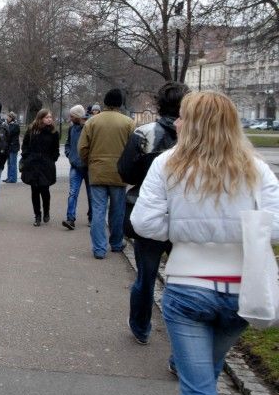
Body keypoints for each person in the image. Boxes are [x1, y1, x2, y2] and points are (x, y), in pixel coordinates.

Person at [131, 91, 279, 395]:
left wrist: (184, 231)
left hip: (188, 285)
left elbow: (145, 223)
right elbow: (275, 225)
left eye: (184, 117)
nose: (178, 123)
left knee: (199, 392)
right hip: (241, 289)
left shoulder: (168, 165)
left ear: (194, 124)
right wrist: (240, 230)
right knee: (203, 381)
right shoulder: (256, 169)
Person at [118, 81, 188, 346]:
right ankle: (181, 339)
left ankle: (141, 326)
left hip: (149, 210)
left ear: (159, 104)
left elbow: (125, 170)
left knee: (146, 276)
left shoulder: (145, 133)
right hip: (185, 213)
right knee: (184, 277)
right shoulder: (197, 136)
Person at [78, 88, 134, 259]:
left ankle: (99, 248)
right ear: (120, 103)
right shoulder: (128, 123)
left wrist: (91, 162)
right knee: (118, 211)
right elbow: (134, 149)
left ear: (105, 102)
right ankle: (116, 243)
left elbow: (82, 148)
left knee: (98, 210)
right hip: (119, 172)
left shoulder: (93, 122)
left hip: (97, 171)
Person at [20, 109, 60, 226]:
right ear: (41, 118)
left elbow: (55, 149)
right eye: (47, 117)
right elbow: (25, 145)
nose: (49, 119)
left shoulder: (53, 132)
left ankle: (46, 211)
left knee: (45, 190)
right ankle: (37, 215)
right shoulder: (32, 130)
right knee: (34, 190)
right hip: (33, 163)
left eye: (50, 117)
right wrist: (27, 157)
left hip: (46, 164)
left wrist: (53, 159)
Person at [62, 105, 92, 230]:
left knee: (92, 195)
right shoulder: (71, 128)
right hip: (75, 165)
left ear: (78, 116)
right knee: (72, 193)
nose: (70, 117)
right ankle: (70, 218)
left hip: (89, 167)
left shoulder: (90, 127)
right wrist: (69, 155)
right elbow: (68, 143)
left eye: (72, 116)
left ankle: (92, 217)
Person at [4, 111, 21, 183]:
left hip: (13, 146)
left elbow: (9, 133)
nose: (7, 118)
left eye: (8, 117)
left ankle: (13, 178)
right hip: (8, 147)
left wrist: (5, 127)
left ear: (11, 118)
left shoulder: (15, 125)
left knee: (13, 163)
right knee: (9, 163)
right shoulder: (9, 124)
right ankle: (9, 177)